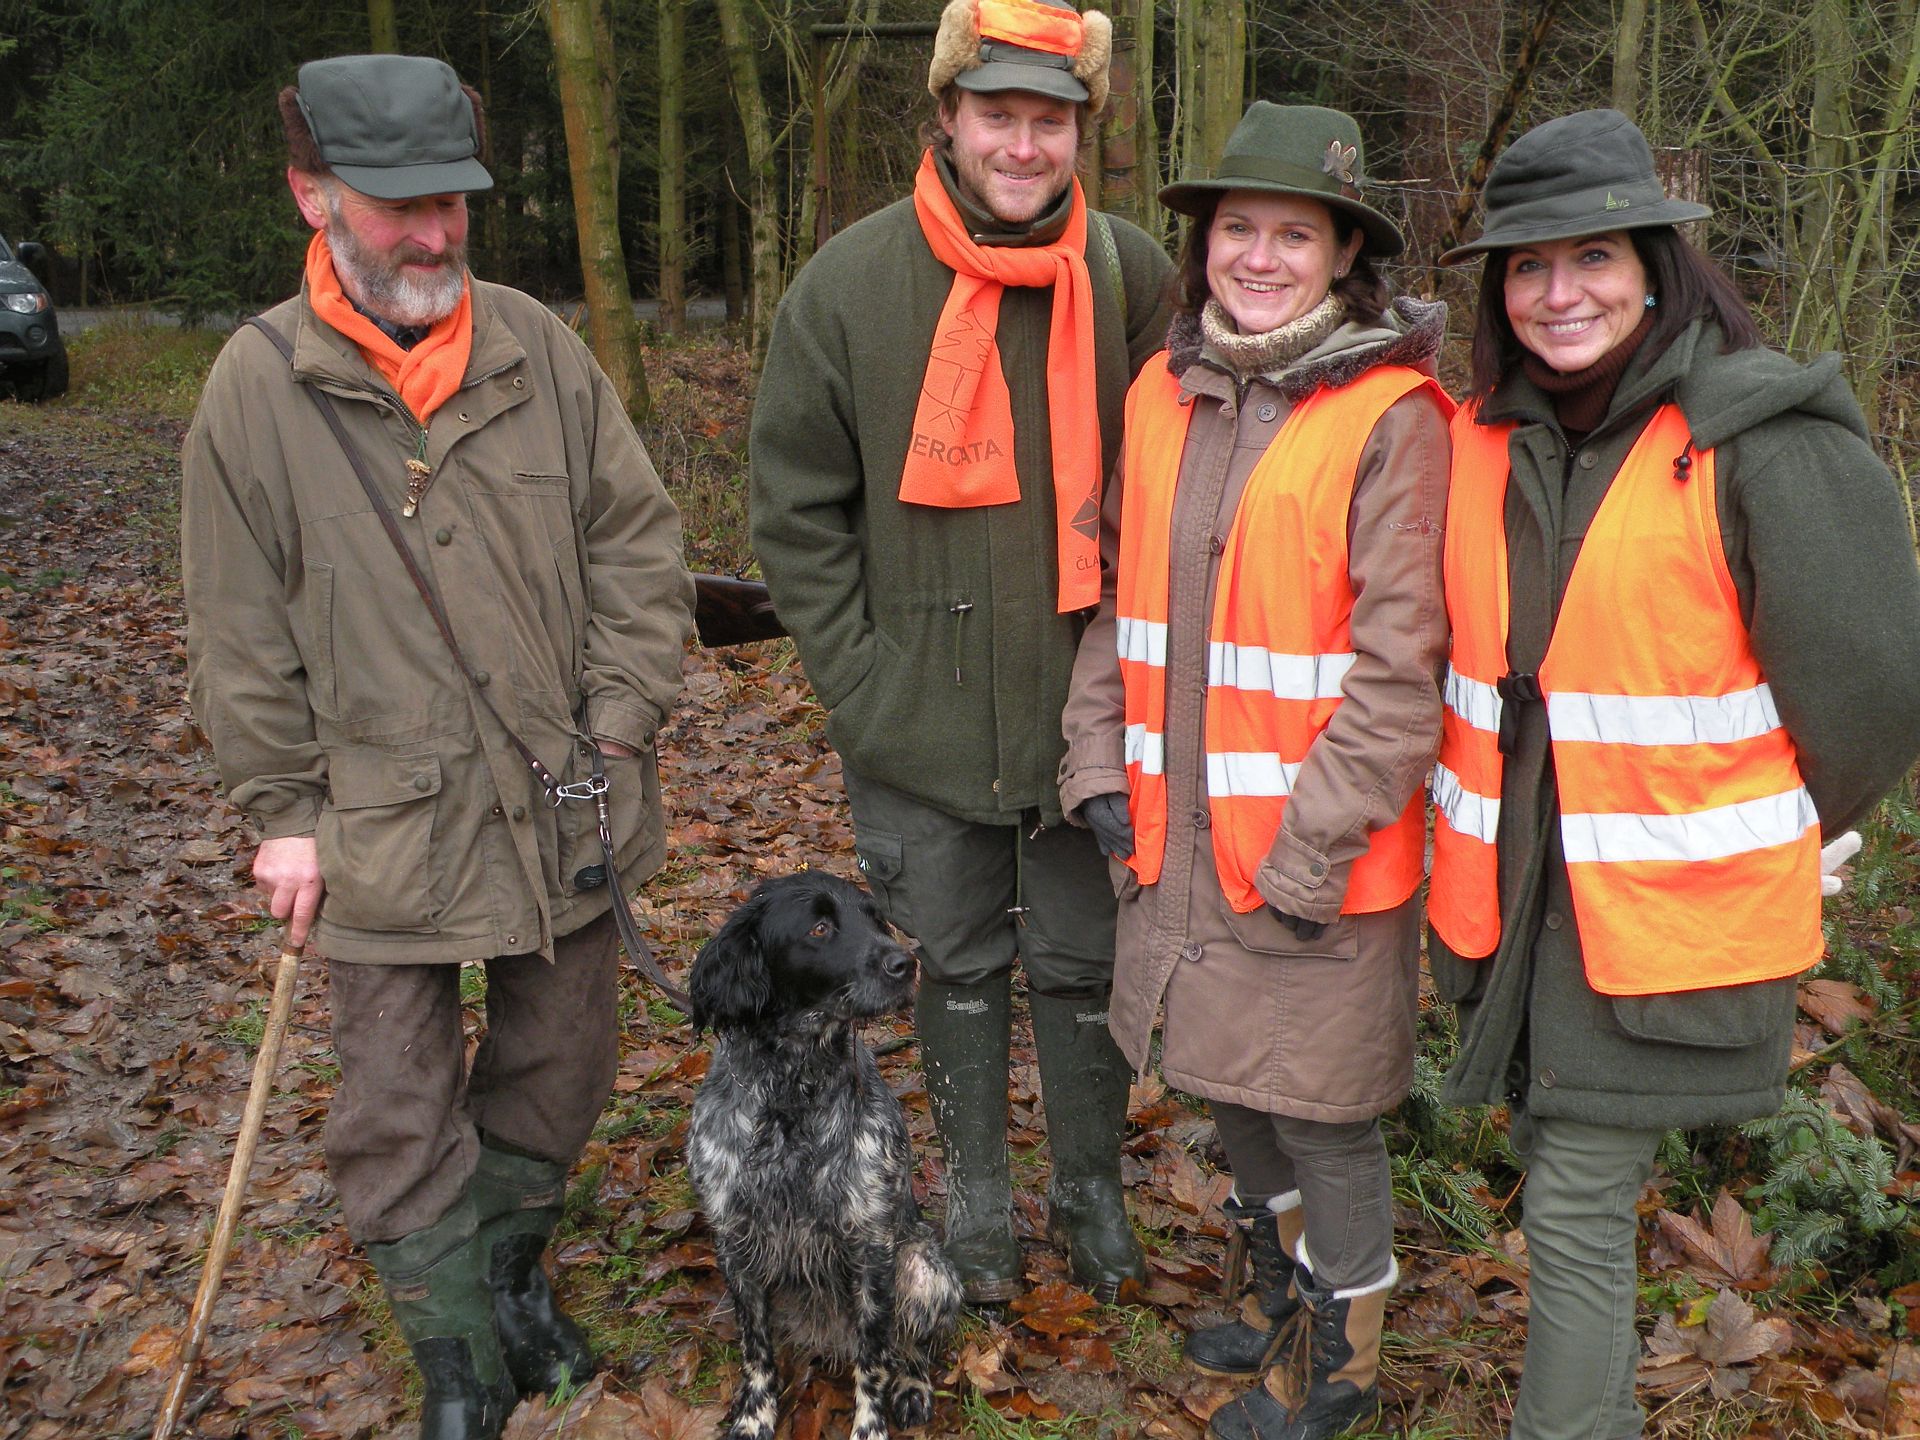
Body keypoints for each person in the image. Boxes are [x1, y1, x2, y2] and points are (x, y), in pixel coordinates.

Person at [181, 55, 693, 1440]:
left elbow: (637, 546)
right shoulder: (255, 389)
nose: (433, 234)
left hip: (563, 791)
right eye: (398, 205)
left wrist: (620, 716)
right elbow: (236, 631)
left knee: (563, 1062)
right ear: (313, 195)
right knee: (396, 1104)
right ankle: (458, 1353)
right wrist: (282, 811)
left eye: (452, 202)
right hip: (376, 817)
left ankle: (512, 1277)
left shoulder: (537, 348)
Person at [1430, 108, 1920, 1440]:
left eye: (1592, 258)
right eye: (1529, 266)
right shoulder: (1492, 439)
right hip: (1527, 915)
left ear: (1657, 267)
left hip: (1670, 927)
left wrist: (1772, 829)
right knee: (1563, 1181)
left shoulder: (1763, 439)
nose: (1559, 293)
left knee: (1576, 1203)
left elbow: (1877, 695)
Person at [749, 0, 1172, 1306]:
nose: (1022, 144)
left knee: (1085, 958)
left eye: (1050, 119)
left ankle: (1091, 1194)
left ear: (1082, 131)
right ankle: (979, 1201)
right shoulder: (848, 288)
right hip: (916, 719)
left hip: (1093, 706)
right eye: (998, 115)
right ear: (947, 117)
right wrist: (865, 685)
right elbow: (796, 514)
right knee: (954, 956)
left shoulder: (1134, 279)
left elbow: (1180, 485)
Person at [1060, 102, 1452, 1440]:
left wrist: (1308, 846)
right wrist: (1094, 761)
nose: (1261, 258)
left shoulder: (1396, 418)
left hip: (1313, 856)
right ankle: (1285, 1286)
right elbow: (1119, 605)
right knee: (1227, 1078)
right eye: (1239, 230)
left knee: (1323, 1114)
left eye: (1296, 235)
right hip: (1175, 836)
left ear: (1347, 255)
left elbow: (1401, 675)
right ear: (1204, 245)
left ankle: (1343, 1361)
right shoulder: (1162, 394)